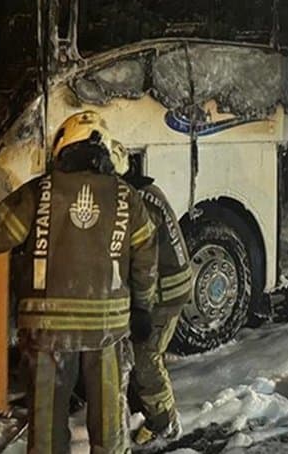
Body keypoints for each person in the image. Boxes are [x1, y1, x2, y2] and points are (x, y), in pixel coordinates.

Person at [0, 111, 158, 454]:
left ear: (63, 148)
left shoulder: (40, 191)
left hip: (48, 331)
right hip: (107, 329)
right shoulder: (126, 196)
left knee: (47, 428)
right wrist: (142, 307)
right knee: (109, 426)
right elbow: (146, 257)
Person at [109, 141, 193, 451]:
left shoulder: (135, 202)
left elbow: (137, 259)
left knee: (146, 358)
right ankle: (147, 411)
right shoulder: (146, 191)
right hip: (172, 285)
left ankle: (164, 423)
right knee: (144, 354)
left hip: (163, 293)